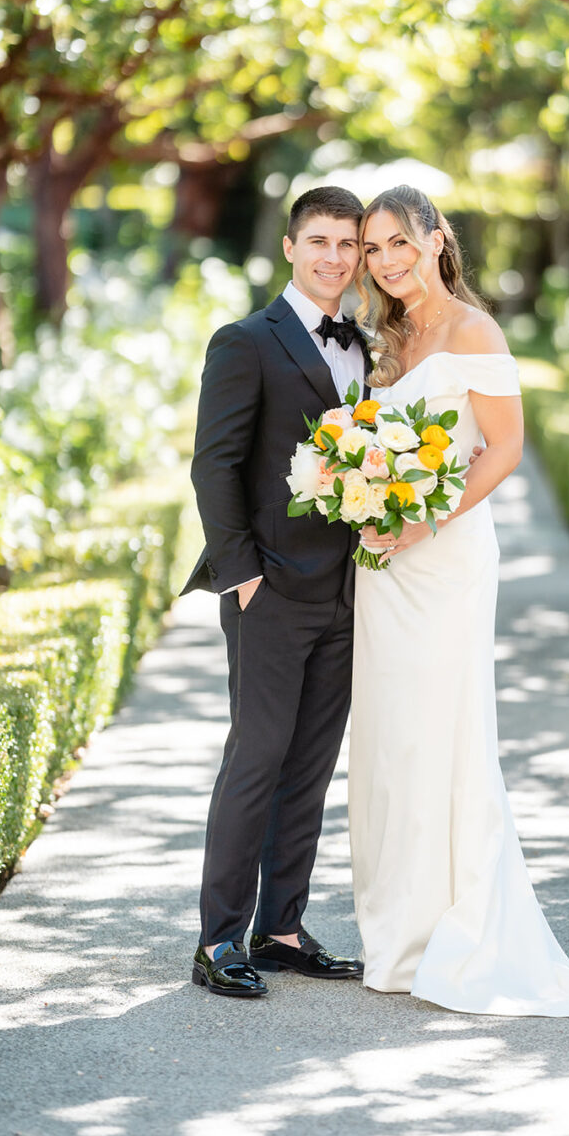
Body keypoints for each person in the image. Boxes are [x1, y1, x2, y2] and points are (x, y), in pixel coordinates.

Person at [349, 184, 569, 1016]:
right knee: (390, 743)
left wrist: (422, 524)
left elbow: (503, 449)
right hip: (383, 567)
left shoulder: (477, 331)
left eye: (399, 241)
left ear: (437, 238)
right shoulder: (389, 338)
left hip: (445, 559)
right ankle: (399, 935)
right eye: (371, 248)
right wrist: (363, 497)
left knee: (447, 734)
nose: (386, 261)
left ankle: (461, 930)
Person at [182, 185, 370, 998]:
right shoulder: (245, 341)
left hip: (350, 592)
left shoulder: (365, 343)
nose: (335, 257)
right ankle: (219, 939)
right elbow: (214, 465)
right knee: (256, 759)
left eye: (349, 244)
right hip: (269, 589)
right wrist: (244, 576)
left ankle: (282, 928)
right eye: (320, 241)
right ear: (291, 248)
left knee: (312, 766)